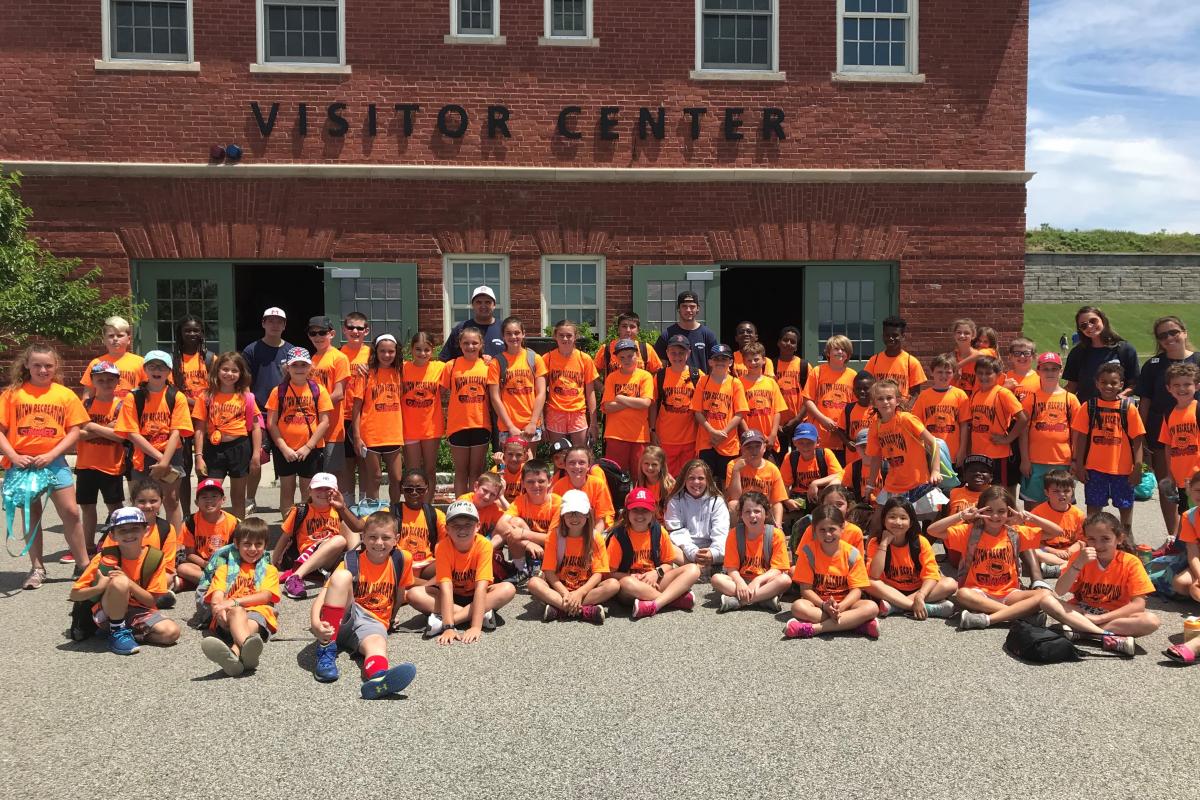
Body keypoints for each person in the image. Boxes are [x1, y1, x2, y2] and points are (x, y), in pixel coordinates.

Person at [0, 343, 90, 587]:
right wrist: (14, 456)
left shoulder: (64, 394)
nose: (42, 370)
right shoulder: (12, 394)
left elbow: (74, 431)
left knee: (71, 512)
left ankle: (83, 566)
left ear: (55, 367)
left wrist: (52, 454)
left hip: (54, 461)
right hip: (23, 463)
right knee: (31, 515)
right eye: (37, 365)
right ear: (27, 364)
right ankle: (37, 568)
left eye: (48, 365)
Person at [308, 510, 419, 698]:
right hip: (344, 616)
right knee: (342, 577)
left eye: (386, 537)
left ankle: (378, 679)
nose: (379, 543)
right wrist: (315, 624)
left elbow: (399, 595)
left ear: (396, 539)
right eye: (373, 537)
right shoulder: (351, 560)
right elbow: (324, 594)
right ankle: (326, 648)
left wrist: (390, 619)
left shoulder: (402, 559)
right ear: (363, 538)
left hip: (373, 621)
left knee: (377, 644)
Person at [926, 487, 1064, 630]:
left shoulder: (1015, 533)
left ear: (1009, 512)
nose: (995, 516)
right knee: (962, 594)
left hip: (1010, 593)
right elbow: (932, 530)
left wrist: (1031, 517)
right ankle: (1018, 614)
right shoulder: (969, 532)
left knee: (1045, 593)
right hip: (979, 592)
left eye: (1001, 511)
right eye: (989, 510)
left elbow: (1056, 532)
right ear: (981, 510)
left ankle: (989, 618)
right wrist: (961, 515)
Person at [1040, 511, 1159, 657]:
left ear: (1119, 539)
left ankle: (1081, 631)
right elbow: (1059, 590)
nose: (1098, 545)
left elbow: (1138, 605)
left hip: (1114, 616)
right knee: (1046, 600)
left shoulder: (1130, 562)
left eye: (1105, 539)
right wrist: (1077, 564)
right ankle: (1104, 635)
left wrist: (1100, 619)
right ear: (1085, 540)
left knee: (1151, 620)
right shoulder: (1080, 558)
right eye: (1092, 539)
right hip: (1082, 611)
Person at [69, 506, 180, 655]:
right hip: (107, 610)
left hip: (138, 610)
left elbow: (150, 602)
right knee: (119, 582)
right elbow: (75, 595)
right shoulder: (104, 558)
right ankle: (117, 632)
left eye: (135, 528)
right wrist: (99, 587)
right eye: (122, 530)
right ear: (113, 535)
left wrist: (130, 582)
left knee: (171, 633)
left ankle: (126, 632)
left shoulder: (155, 558)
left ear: (145, 530)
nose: (129, 534)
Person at [407, 500, 517, 642]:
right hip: (452, 596)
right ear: (447, 528)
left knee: (508, 589)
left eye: (468, 525)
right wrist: (449, 629)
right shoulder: (442, 547)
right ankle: (480, 613)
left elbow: (481, 587)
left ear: (477, 526)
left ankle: (444, 622)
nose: (462, 530)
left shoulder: (484, 545)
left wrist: (474, 627)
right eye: (456, 525)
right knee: (414, 594)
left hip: (477, 595)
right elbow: (446, 588)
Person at [116, 350, 194, 531]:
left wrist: (165, 461)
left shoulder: (176, 396)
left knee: (171, 500)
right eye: (152, 366)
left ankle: (175, 544)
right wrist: (160, 459)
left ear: (169, 371)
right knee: (142, 502)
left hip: (171, 454)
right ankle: (143, 539)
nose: (156, 370)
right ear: (145, 369)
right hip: (143, 455)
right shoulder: (133, 397)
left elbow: (177, 432)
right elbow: (131, 432)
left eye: (162, 366)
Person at [1137, 317, 1200, 535]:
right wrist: (1141, 438)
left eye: (1173, 332)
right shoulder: (1153, 365)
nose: (1169, 338)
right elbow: (1144, 402)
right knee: (1171, 488)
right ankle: (1175, 537)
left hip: (1196, 437)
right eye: (1162, 336)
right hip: (1164, 436)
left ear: (1184, 332)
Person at [199, 517, 279, 676]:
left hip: (257, 615)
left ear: (265, 545)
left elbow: (265, 596)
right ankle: (248, 654)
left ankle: (235, 653)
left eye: (258, 544)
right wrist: (217, 608)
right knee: (237, 612)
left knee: (247, 617)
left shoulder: (269, 570)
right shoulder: (224, 569)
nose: (253, 549)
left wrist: (234, 601)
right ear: (236, 544)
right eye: (247, 544)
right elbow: (217, 595)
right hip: (228, 617)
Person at [786, 505, 880, 639]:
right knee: (798, 607)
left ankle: (814, 629)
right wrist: (824, 606)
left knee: (871, 607)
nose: (827, 534)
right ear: (814, 530)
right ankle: (855, 624)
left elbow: (857, 590)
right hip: (819, 604)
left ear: (842, 528)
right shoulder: (808, 552)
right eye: (822, 530)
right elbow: (805, 590)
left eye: (832, 529)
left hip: (846, 604)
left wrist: (841, 607)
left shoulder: (852, 554)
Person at [1071, 362, 1146, 531]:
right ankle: (1092, 537)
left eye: (1113, 383)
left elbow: (1138, 440)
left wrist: (1138, 468)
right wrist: (1080, 464)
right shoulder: (1089, 407)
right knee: (1094, 507)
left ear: (1121, 384)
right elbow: (1081, 438)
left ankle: (1126, 536)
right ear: (1097, 383)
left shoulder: (1129, 408)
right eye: (1104, 382)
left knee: (1125, 506)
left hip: (1123, 469)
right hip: (1094, 468)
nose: (1108, 386)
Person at [608, 487, 701, 619]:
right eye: (635, 510)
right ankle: (673, 600)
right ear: (627, 512)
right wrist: (634, 577)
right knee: (626, 583)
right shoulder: (619, 536)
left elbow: (668, 563)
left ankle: (656, 604)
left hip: (655, 581)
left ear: (653, 512)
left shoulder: (659, 531)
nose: (640, 515)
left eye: (645, 510)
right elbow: (609, 573)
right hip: (631, 587)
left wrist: (656, 573)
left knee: (693, 569)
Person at [528, 490, 619, 624]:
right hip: (560, 588)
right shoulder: (554, 536)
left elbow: (598, 573)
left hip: (586, 588)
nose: (574, 518)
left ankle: (560, 609)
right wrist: (565, 593)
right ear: (563, 515)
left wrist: (580, 592)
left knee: (613, 585)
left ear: (587, 514)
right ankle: (583, 611)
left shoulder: (595, 537)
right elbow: (549, 571)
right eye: (569, 513)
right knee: (534, 583)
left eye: (579, 513)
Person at [266, 346, 334, 521]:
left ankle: (305, 526)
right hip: (285, 449)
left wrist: (308, 447)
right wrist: (283, 447)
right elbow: (271, 423)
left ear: (310, 367)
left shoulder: (318, 390)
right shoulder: (278, 391)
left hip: (310, 448)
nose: (299, 369)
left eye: (303, 365)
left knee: (309, 491)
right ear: (287, 367)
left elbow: (325, 422)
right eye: (294, 365)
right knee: (287, 490)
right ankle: (289, 530)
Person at [192, 352, 262, 519]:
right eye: (225, 369)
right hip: (214, 449)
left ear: (241, 374)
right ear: (217, 371)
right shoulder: (206, 396)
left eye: (234, 371)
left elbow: (256, 426)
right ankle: (210, 531)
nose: (229, 374)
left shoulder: (246, 397)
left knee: (238, 497)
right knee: (210, 494)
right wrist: (199, 456)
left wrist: (256, 455)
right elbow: (200, 428)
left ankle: (237, 532)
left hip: (240, 447)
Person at [864, 379, 945, 520]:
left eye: (889, 398)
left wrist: (936, 471)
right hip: (893, 485)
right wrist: (870, 486)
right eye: (880, 399)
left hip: (918, 483)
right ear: (874, 403)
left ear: (897, 400)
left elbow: (933, 442)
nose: (885, 402)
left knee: (927, 524)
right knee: (879, 522)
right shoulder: (875, 428)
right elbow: (876, 458)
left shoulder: (906, 419)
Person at [866, 498, 958, 618]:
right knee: (868, 582)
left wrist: (921, 595)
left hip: (918, 588)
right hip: (889, 590)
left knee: (950, 584)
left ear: (911, 523)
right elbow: (874, 575)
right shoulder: (875, 542)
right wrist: (884, 544)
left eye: (903, 518)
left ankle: (895, 607)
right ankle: (917, 607)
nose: (898, 522)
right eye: (892, 517)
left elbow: (931, 573)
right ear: (884, 520)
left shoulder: (920, 542)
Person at [242, 306, 294, 513]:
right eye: (270, 321)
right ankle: (250, 499)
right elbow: (245, 381)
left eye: (279, 321)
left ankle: (289, 504)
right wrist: (251, 406)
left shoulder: (291, 351)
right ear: (263, 323)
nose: (274, 324)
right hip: (260, 412)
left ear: (284, 325)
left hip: (285, 414)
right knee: (256, 459)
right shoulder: (251, 350)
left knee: (286, 460)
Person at [274, 472, 358, 598]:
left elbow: (357, 528)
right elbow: (285, 537)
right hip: (310, 555)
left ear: (336, 492)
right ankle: (295, 577)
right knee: (339, 540)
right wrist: (272, 564)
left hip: (333, 556)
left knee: (348, 526)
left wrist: (343, 508)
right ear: (310, 491)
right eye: (319, 488)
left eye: (328, 489)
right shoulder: (301, 510)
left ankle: (357, 571)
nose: (323, 493)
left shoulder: (337, 510)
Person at [75, 361, 127, 557]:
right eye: (100, 379)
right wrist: (106, 429)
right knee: (87, 507)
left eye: (110, 379)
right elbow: (75, 434)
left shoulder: (121, 405)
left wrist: (91, 426)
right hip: (86, 464)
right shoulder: (85, 404)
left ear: (117, 382)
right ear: (93, 381)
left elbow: (122, 436)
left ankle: (115, 544)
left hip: (111, 466)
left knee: (114, 507)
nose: (105, 383)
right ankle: (87, 546)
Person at [712, 491, 792, 612]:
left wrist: (757, 580)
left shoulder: (776, 534)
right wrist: (740, 583)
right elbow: (731, 569)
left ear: (766, 514)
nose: (752, 515)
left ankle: (739, 601)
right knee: (716, 579)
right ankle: (764, 599)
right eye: (747, 512)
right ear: (741, 515)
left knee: (785, 580)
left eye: (757, 511)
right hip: (741, 580)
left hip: (765, 581)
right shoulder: (734, 534)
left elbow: (778, 569)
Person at [1018, 352, 1079, 506]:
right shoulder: (1031, 398)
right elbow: (1023, 432)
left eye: (1054, 369)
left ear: (1061, 370)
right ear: (1038, 371)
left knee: (1062, 503)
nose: (1050, 372)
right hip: (1035, 461)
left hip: (1062, 460)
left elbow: (1077, 433)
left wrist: (1075, 459)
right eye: (1046, 369)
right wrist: (1025, 460)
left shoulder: (1070, 398)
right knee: (1032, 504)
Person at [352, 334, 405, 504]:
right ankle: (373, 513)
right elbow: (357, 408)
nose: (387, 355)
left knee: (396, 478)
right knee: (374, 477)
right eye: (383, 351)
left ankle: (395, 511)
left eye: (391, 351)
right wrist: (357, 436)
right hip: (371, 434)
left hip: (393, 433)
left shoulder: (400, 371)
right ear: (376, 351)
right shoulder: (366, 373)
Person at [172, 315, 216, 519]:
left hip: (206, 420)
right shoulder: (173, 360)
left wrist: (204, 405)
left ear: (202, 333)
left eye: (196, 330)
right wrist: (196, 403)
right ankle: (187, 513)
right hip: (182, 418)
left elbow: (218, 387)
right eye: (187, 330)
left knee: (203, 465)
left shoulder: (209, 359)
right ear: (180, 334)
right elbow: (172, 392)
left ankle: (203, 511)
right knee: (184, 466)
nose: (191, 334)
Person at [442, 327, 492, 497]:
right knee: (461, 472)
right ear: (460, 345)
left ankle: (474, 507)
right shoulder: (451, 365)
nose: (470, 346)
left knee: (476, 472)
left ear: (481, 344)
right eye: (466, 343)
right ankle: (460, 506)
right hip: (458, 424)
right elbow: (440, 393)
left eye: (474, 343)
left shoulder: (488, 365)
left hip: (480, 423)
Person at [968, 356, 1027, 497]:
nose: (984, 376)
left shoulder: (1003, 393)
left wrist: (1008, 439)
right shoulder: (975, 394)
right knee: (984, 494)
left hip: (998, 455)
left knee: (1002, 494)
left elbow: (1023, 418)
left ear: (998, 375)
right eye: (980, 373)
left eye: (988, 373)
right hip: (979, 454)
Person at [692, 343, 747, 487]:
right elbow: (697, 411)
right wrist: (711, 431)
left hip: (728, 442)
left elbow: (740, 413)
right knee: (705, 480)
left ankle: (725, 508)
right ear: (710, 362)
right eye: (716, 359)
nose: (720, 362)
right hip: (706, 440)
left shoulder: (735, 383)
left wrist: (723, 433)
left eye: (724, 359)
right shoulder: (703, 381)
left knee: (726, 481)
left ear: (730, 362)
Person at [488, 316, 548, 448]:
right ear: (503, 336)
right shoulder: (497, 362)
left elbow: (541, 393)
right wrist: (510, 426)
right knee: (510, 464)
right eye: (508, 333)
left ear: (523, 334)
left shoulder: (534, 358)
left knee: (530, 463)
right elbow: (495, 397)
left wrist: (533, 423)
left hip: (531, 424)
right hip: (507, 424)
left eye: (516, 333)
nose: (513, 337)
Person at [650, 334, 702, 477]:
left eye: (681, 352)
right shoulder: (660, 376)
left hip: (690, 438)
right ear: (667, 353)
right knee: (667, 478)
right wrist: (652, 430)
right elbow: (653, 405)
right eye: (673, 352)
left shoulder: (697, 375)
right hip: (665, 438)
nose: (677, 356)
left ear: (689, 353)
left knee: (689, 476)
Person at [305, 315, 352, 476]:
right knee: (314, 476)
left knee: (331, 477)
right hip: (312, 428)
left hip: (332, 428)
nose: (317, 337)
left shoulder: (339, 358)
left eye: (322, 332)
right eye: (313, 333)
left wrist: (313, 407)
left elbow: (339, 394)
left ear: (331, 334)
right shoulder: (312, 359)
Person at [664, 459, 729, 572]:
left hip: (712, 548)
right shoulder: (675, 501)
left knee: (731, 544)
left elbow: (721, 532)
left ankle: (699, 567)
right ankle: (698, 568)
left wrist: (712, 553)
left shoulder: (717, 501)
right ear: (684, 480)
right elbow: (676, 532)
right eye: (691, 478)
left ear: (708, 480)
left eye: (701, 478)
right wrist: (694, 553)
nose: (696, 482)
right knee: (667, 545)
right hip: (685, 550)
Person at [1063, 305, 1139, 402]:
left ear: (1103, 320)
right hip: (1086, 410)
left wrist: (1119, 396)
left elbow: (1135, 384)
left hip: (1116, 410)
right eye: (1083, 325)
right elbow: (1071, 386)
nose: (1090, 326)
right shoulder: (1077, 352)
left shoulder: (1125, 349)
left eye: (1093, 321)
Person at [500, 460, 561, 578]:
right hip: (530, 546)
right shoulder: (520, 501)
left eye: (541, 481)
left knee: (515, 529)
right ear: (522, 483)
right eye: (530, 482)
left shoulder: (557, 503)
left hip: (552, 549)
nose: (536, 486)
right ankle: (521, 570)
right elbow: (501, 524)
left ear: (550, 481)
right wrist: (527, 543)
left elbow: (556, 538)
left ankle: (541, 568)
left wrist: (523, 534)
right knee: (514, 522)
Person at [601, 338, 655, 471]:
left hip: (639, 436)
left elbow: (645, 403)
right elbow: (607, 407)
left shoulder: (645, 376)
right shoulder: (612, 378)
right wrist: (633, 401)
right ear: (617, 359)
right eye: (622, 357)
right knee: (616, 475)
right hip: (615, 434)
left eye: (630, 356)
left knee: (640, 475)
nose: (626, 359)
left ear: (637, 355)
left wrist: (620, 398)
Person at [176, 478, 239, 590]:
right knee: (182, 568)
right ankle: (219, 584)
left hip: (227, 565)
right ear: (196, 502)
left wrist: (223, 567)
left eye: (214, 496)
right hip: (202, 564)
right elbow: (190, 554)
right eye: (204, 497)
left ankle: (208, 583)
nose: (209, 501)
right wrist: (206, 565)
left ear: (223, 499)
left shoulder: (233, 522)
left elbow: (239, 551)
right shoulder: (191, 522)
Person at [544, 319, 598, 448]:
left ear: (575, 337)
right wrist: (541, 420)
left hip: (577, 412)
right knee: (558, 455)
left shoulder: (584, 359)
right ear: (555, 337)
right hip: (555, 412)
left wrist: (594, 422)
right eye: (561, 335)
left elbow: (590, 392)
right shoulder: (547, 358)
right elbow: (540, 392)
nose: (565, 338)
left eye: (569, 335)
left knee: (581, 454)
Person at [911, 353, 970, 467]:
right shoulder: (924, 396)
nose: (944, 375)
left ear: (953, 373)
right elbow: (917, 424)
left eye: (948, 372)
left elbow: (964, 425)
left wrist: (962, 451)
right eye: (940, 372)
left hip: (953, 452)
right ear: (932, 372)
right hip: (930, 452)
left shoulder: (960, 395)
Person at [1159, 363, 1200, 524]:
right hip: (1182, 478)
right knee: (1187, 515)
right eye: (1176, 385)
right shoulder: (1169, 414)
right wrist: (1170, 474)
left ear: (1196, 386)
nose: (1181, 389)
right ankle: (1186, 547)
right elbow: (1168, 446)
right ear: (1169, 388)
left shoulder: (1197, 409)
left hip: (1197, 476)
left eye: (1187, 384)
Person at [803, 335, 858, 456]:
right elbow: (807, 400)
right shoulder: (818, 371)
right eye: (836, 348)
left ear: (848, 354)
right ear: (828, 352)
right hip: (820, 433)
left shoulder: (853, 375)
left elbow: (855, 406)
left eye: (844, 349)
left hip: (842, 436)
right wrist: (823, 420)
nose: (840, 352)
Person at [1028, 469, 1086, 576]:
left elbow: (1082, 541)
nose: (1062, 495)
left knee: (1089, 549)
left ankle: (1055, 568)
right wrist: (1054, 551)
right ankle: (1067, 566)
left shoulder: (1078, 514)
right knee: (1031, 551)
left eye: (1066, 491)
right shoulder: (1037, 513)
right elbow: (1032, 540)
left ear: (1072, 491)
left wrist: (1069, 551)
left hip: (1070, 552)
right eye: (1056, 491)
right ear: (1046, 493)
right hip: (1047, 552)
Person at [725, 429, 788, 527]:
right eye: (749, 447)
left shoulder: (772, 469)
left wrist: (778, 525)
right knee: (733, 505)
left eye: (757, 446)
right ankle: (735, 536)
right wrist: (736, 471)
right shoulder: (733, 465)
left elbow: (777, 502)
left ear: (764, 447)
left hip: (763, 510)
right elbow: (734, 497)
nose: (753, 451)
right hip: (744, 510)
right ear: (742, 448)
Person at [339, 312, 372, 496]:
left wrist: (370, 372)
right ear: (344, 330)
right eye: (351, 327)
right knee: (347, 462)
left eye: (359, 328)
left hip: (365, 415)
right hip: (343, 415)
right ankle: (349, 501)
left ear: (366, 331)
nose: (355, 331)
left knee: (364, 461)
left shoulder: (372, 354)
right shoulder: (337, 354)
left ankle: (365, 499)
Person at [779, 423, 842, 519]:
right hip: (800, 498)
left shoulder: (825, 454)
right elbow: (784, 485)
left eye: (809, 442)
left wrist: (815, 483)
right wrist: (787, 501)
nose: (805, 446)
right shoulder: (791, 457)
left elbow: (839, 474)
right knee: (776, 504)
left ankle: (829, 516)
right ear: (794, 442)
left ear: (818, 441)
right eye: (801, 442)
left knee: (836, 483)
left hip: (820, 497)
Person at [393, 468, 444, 585]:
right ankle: (427, 586)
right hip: (400, 565)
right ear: (402, 489)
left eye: (420, 489)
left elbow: (452, 536)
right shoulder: (392, 512)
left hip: (426, 566)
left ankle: (411, 585)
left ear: (427, 490)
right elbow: (359, 526)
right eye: (409, 489)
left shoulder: (435, 514)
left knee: (451, 564)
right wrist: (343, 507)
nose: (414, 493)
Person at [81, 315, 145, 402]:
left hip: (131, 411)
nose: (115, 339)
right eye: (111, 336)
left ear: (129, 339)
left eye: (120, 335)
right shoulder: (96, 363)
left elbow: (147, 392)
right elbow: (88, 393)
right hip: (104, 412)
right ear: (104, 339)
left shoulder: (140, 362)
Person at [864, 316, 927, 404]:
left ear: (903, 336)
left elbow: (915, 393)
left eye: (895, 335)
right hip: (880, 411)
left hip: (901, 411)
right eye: (887, 335)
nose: (890, 338)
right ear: (883, 336)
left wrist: (907, 409)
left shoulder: (912, 362)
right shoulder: (874, 360)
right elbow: (868, 387)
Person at [653, 290, 718, 373]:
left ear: (698, 308)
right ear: (678, 309)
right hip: (674, 384)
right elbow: (660, 366)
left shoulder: (708, 335)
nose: (688, 310)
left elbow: (714, 365)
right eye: (684, 306)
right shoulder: (667, 335)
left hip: (700, 384)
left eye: (692, 306)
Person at [739, 342, 787, 454]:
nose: (753, 363)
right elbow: (739, 413)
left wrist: (773, 435)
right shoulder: (739, 383)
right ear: (744, 362)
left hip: (769, 439)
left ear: (764, 360)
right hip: (748, 438)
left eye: (756, 359)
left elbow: (777, 411)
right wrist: (749, 435)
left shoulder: (771, 383)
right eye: (749, 360)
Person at [594, 312, 662, 386]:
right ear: (618, 329)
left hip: (639, 396)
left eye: (632, 327)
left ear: (638, 330)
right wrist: (603, 389)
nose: (628, 330)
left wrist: (648, 388)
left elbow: (659, 373)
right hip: (612, 396)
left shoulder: (645, 349)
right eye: (624, 326)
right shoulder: (607, 349)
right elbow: (592, 373)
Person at [438, 285, 505, 360]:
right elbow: (444, 359)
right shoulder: (461, 328)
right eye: (479, 302)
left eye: (488, 302)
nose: (483, 306)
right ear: (472, 305)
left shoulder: (504, 328)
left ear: (494, 305)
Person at [774, 326, 809, 460]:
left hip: (800, 422)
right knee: (778, 459)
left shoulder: (803, 366)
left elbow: (809, 397)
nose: (788, 344)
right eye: (785, 340)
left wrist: (796, 419)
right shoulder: (771, 364)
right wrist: (776, 424)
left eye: (792, 342)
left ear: (796, 346)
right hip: (778, 425)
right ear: (779, 342)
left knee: (800, 458)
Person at [837, 371, 876, 468]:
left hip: (874, 455)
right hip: (853, 456)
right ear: (854, 391)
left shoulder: (878, 409)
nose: (862, 391)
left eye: (866, 389)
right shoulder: (848, 409)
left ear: (874, 389)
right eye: (859, 389)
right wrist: (847, 442)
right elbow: (839, 429)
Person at [634, 445, 675, 520]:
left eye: (654, 464)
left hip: (667, 522)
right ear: (641, 464)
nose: (650, 468)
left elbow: (675, 510)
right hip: (648, 521)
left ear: (661, 466)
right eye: (646, 463)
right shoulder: (640, 483)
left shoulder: (669, 484)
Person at [1002, 337, 1040, 406]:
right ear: (1010, 357)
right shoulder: (1004, 378)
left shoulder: (1040, 378)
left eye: (1027, 353)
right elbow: (996, 400)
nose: (1022, 356)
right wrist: (1004, 388)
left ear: (1034, 356)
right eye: (1017, 353)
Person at [950, 318, 981, 394]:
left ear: (973, 335)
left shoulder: (980, 357)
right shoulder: (950, 358)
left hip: (975, 402)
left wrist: (958, 365)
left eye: (966, 333)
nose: (962, 335)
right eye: (959, 332)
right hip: (956, 402)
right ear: (954, 335)